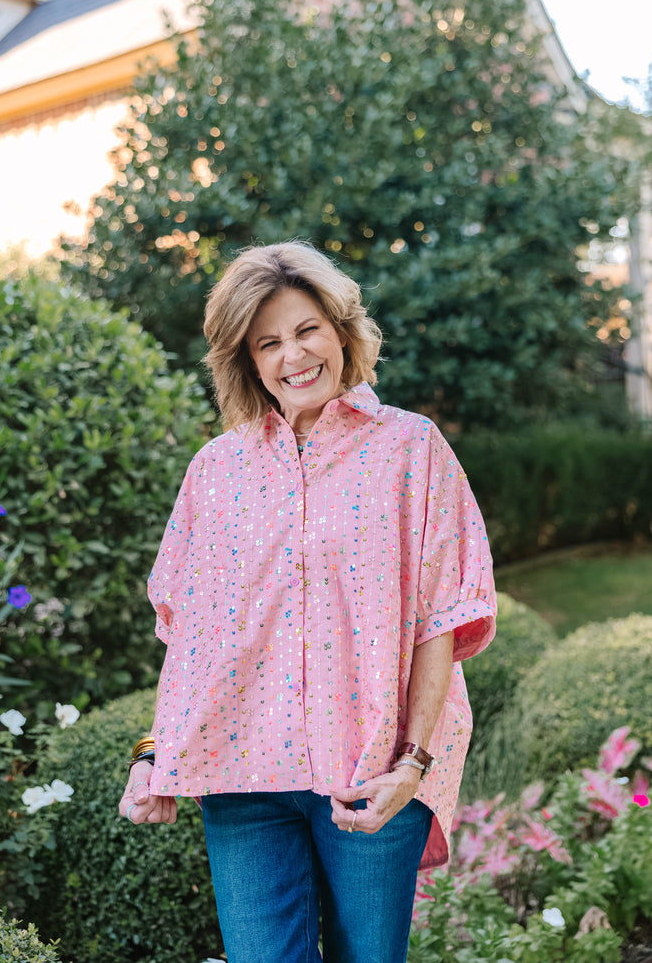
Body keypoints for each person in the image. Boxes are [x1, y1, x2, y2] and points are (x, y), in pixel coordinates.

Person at [119, 242, 496, 963]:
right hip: (242, 780)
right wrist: (153, 753)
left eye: (306, 330)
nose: (293, 355)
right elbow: (191, 639)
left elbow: (439, 621)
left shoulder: (410, 450)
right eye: (269, 342)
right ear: (247, 360)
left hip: (369, 775)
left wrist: (411, 764)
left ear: (341, 331)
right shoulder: (215, 471)